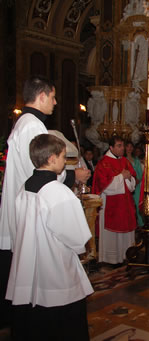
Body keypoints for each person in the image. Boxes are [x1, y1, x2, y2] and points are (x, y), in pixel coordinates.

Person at [0, 76, 90, 327]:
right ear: (41, 97)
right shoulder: (33, 126)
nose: (55, 101)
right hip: (38, 205)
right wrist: (73, 175)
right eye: (52, 96)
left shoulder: (25, 122)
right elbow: (41, 167)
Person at [6, 134, 93, 341]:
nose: (65, 162)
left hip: (29, 265)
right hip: (55, 268)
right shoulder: (58, 192)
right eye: (63, 157)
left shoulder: (25, 188)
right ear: (51, 159)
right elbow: (77, 238)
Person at [92, 136, 137, 265]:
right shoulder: (103, 163)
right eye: (119, 146)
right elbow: (103, 186)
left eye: (122, 145)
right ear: (111, 147)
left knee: (126, 227)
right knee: (112, 232)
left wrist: (129, 178)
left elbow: (133, 178)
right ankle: (110, 259)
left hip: (125, 202)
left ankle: (126, 255)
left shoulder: (125, 161)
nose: (122, 148)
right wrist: (121, 177)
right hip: (110, 203)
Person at [125, 141, 144, 227]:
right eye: (127, 146)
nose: (129, 148)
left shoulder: (136, 160)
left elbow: (140, 173)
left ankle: (140, 225)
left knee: (138, 205)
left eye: (131, 147)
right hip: (127, 186)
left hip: (137, 186)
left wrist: (137, 181)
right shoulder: (123, 160)